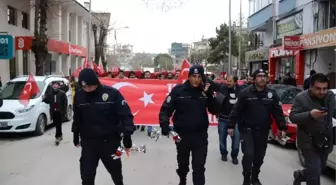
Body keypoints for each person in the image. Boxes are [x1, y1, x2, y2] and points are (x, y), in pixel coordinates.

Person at [72, 68, 136, 185]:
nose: (87, 90)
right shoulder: (79, 96)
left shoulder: (112, 94)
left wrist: (127, 135)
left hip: (110, 142)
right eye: (84, 87)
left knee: (116, 173)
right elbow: (77, 118)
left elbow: (125, 115)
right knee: (86, 176)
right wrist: (75, 134)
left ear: (96, 82)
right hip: (89, 143)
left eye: (90, 87)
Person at [159, 65, 219, 185]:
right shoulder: (178, 91)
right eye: (193, 76)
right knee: (183, 164)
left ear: (202, 78)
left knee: (199, 168)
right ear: (189, 77)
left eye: (199, 77)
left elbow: (214, 110)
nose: (196, 79)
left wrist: (210, 95)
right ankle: (182, 179)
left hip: (200, 136)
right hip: (181, 135)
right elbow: (165, 109)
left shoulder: (205, 92)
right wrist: (164, 124)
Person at [228, 69, 287, 185]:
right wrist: (230, 125)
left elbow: (278, 112)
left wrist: (282, 127)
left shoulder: (271, 94)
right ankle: (246, 176)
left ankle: (254, 177)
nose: (262, 78)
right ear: (254, 79)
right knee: (249, 154)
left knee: (259, 157)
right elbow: (236, 110)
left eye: (264, 76)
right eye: (259, 76)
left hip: (263, 131)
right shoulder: (245, 93)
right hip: (247, 130)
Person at [289, 73, 336, 185]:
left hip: (325, 140)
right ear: (311, 86)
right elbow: (293, 117)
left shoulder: (330, 96)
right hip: (308, 141)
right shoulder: (300, 98)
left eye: (325, 88)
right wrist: (310, 115)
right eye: (318, 89)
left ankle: (300, 175)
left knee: (319, 168)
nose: (322, 92)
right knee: (314, 172)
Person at [209, 75, 242, 164]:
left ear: (235, 82)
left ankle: (234, 156)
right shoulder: (221, 87)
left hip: (236, 121)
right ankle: (223, 153)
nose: (228, 83)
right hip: (223, 119)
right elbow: (211, 83)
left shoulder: (242, 91)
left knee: (236, 142)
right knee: (222, 140)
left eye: (230, 81)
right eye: (227, 80)